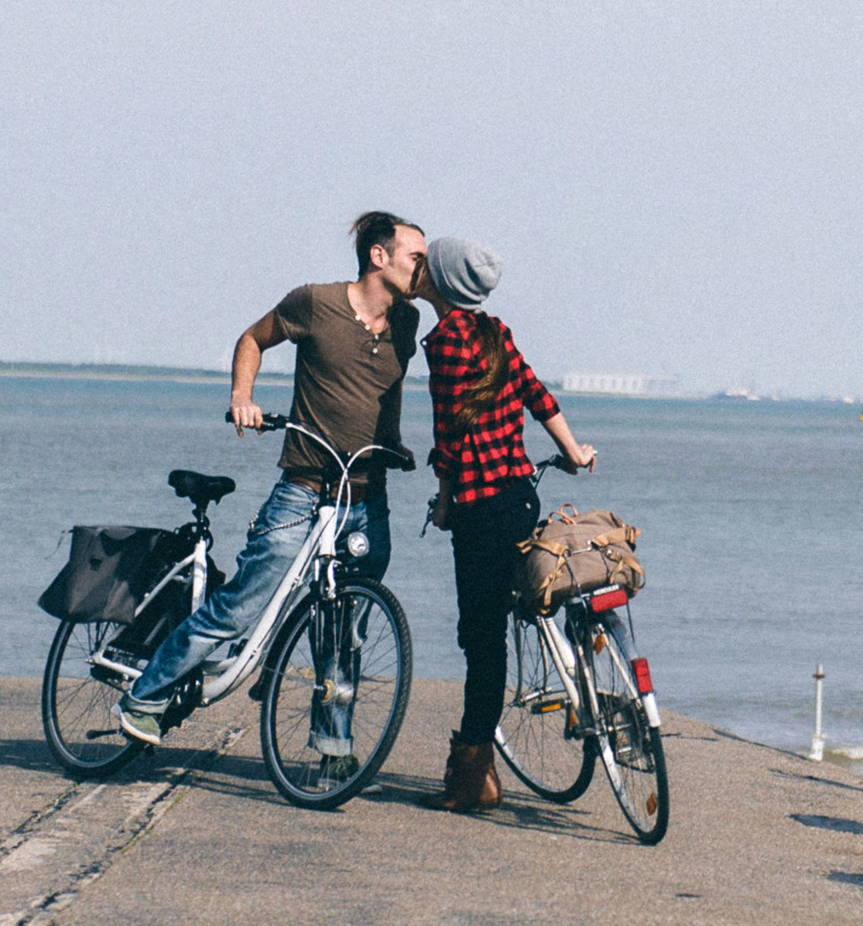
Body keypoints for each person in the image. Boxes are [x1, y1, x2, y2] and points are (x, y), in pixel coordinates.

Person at [117, 211, 426, 747]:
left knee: (344, 632)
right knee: (239, 607)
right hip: (304, 491)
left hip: (367, 500)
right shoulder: (315, 302)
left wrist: (394, 439)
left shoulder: (407, 322)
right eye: (415, 257)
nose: (423, 270)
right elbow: (253, 339)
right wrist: (243, 398)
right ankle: (145, 696)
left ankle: (333, 750)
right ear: (380, 257)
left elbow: (388, 388)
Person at [413, 236, 596, 812]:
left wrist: (443, 500)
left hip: (480, 509)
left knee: (482, 643)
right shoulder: (496, 333)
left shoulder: (444, 343)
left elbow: (450, 432)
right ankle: (578, 687)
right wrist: (574, 452)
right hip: (519, 496)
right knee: (512, 611)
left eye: (426, 265)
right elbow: (536, 395)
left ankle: (472, 776)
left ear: (441, 283)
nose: (418, 270)